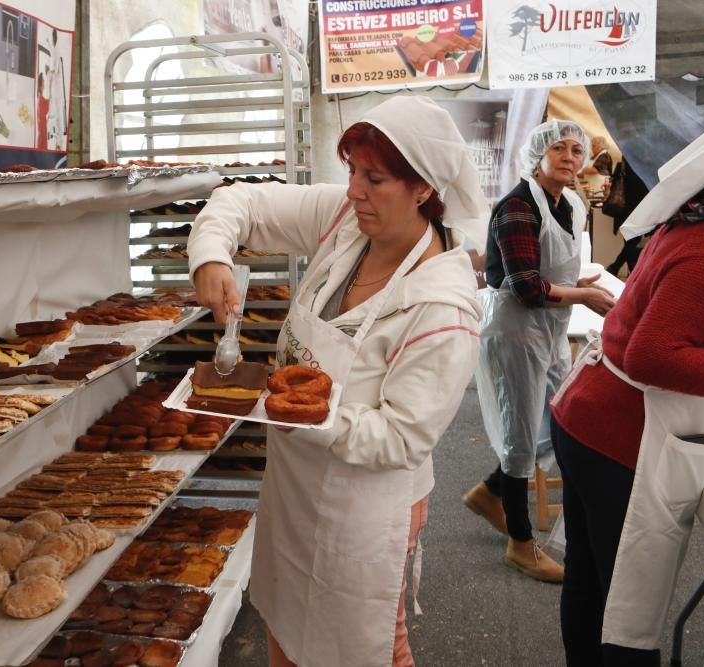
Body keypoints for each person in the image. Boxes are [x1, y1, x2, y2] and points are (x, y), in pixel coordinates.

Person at [188, 96, 488, 667]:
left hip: (364, 508)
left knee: (365, 646)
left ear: (423, 189)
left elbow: (401, 438)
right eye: (352, 171)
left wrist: (289, 408)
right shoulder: (346, 224)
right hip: (293, 487)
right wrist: (211, 255)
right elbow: (242, 200)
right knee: (285, 620)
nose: (354, 191)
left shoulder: (441, 309)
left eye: (375, 179)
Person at [549, 131, 704, 666]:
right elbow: (652, 355)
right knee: (625, 601)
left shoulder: (691, 218)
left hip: (585, 415)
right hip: (614, 435)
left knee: (590, 582)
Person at [464, 120, 615, 583]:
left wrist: (577, 286)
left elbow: (550, 267)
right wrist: (584, 297)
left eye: (576, 149)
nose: (570, 157)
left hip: (550, 330)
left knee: (560, 420)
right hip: (516, 331)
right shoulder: (517, 207)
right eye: (560, 149)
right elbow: (527, 287)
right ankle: (521, 544)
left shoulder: (568, 203)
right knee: (519, 435)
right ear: (539, 154)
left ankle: (491, 492)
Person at [605, 158, 650, 277]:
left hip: (624, 210)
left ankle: (622, 270)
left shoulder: (621, 166)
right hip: (637, 211)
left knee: (630, 242)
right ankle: (622, 269)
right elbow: (643, 191)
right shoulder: (641, 167)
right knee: (632, 243)